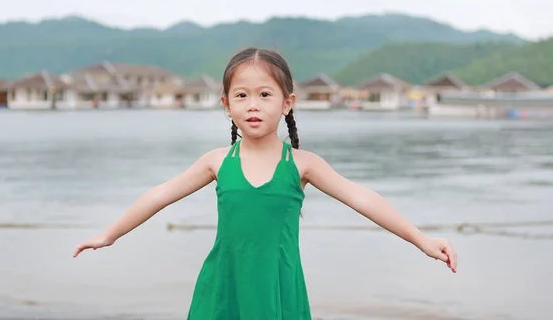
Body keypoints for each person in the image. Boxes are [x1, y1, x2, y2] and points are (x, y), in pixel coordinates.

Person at [73, 47, 457, 319]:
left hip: (277, 287)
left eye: (264, 94)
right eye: (242, 95)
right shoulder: (217, 162)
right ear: (227, 105)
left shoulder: (303, 165)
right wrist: (110, 234)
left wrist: (421, 239)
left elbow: (363, 199)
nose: (253, 105)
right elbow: (159, 196)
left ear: (286, 103)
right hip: (224, 285)